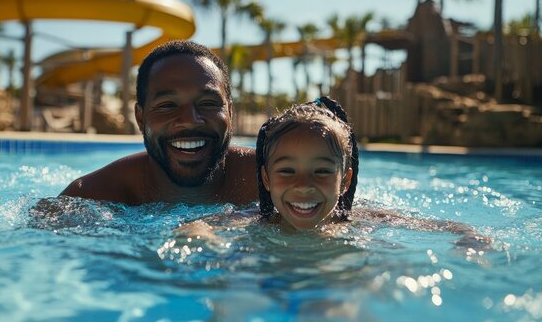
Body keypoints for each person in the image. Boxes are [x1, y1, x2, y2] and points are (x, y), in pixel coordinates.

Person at [179, 96, 490, 249]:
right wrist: (200, 239)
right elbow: (198, 227)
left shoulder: (364, 220)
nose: (304, 186)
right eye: (287, 170)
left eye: (321, 171)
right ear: (266, 179)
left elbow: (445, 227)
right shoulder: (253, 221)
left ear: (345, 181)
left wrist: (470, 238)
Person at [59, 40, 257, 205]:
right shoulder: (92, 196)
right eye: (167, 105)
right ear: (140, 118)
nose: (190, 121)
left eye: (207, 103)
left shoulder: (271, 181)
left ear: (230, 112)